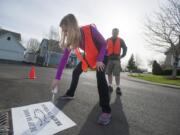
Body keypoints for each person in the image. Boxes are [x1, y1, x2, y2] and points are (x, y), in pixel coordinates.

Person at [51, 14, 111, 125]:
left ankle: (106, 110)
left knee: (100, 76)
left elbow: (104, 44)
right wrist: (57, 78)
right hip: (90, 55)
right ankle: (70, 93)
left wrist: (99, 60)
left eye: (66, 30)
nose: (65, 34)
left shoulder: (90, 30)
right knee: (76, 72)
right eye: (63, 32)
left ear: (72, 26)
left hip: (102, 55)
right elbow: (64, 59)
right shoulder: (72, 40)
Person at [106, 28, 127, 95]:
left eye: (116, 32)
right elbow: (103, 48)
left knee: (117, 74)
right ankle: (110, 86)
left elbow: (125, 48)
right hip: (109, 59)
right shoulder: (107, 40)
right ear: (112, 32)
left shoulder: (121, 40)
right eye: (114, 32)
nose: (115, 33)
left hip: (117, 60)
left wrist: (122, 55)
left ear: (118, 33)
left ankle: (118, 87)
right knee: (109, 73)